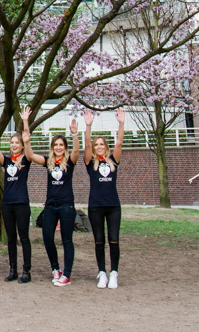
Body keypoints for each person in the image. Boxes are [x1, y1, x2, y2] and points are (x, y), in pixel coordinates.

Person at [0, 108, 42, 284]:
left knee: (23, 237)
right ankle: (13, 270)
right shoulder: (7, 161)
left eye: (16, 143)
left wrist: (26, 122)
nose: (14, 145)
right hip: (7, 204)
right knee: (11, 238)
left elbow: (27, 142)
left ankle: (27, 271)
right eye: (12, 143)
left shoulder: (25, 159)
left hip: (22, 203)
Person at [35, 113, 80, 287]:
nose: (58, 147)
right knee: (47, 238)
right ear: (52, 147)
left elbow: (76, 151)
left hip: (66, 206)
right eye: (56, 145)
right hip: (50, 206)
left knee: (67, 239)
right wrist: (26, 133)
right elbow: (30, 155)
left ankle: (67, 274)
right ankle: (56, 269)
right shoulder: (48, 162)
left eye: (61, 145)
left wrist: (75, 134)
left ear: (65, 147)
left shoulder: (69, 162)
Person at [83, 108, 126, 289]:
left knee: (113, 239)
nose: (99, 147)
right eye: (96, 145)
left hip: (113, 206)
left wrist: (121, 123)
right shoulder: (90, 162)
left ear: (105, 147)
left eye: (102, 144)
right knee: (99, 240)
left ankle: (114, 272)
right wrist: (88, 126)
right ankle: (102, 272)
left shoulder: (113, 161)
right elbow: (86, 145)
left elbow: (119, 143)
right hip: (95, 207)